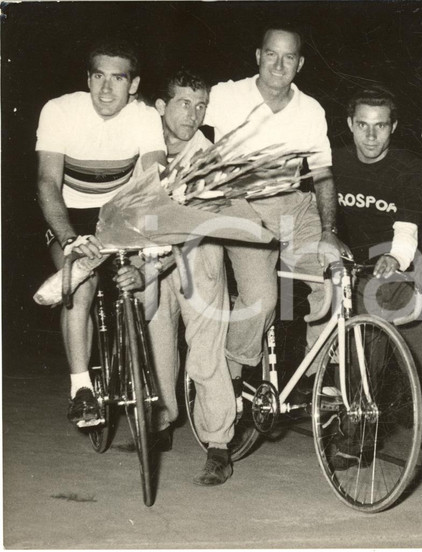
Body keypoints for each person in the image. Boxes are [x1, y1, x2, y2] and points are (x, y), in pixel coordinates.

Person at [202, 23, 350, 393]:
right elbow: (180, 123)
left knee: (333, 279)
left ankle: (315, 379)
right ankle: (231, 374)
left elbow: (322, 175)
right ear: (258, 56)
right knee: (263, 299)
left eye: (288, 57)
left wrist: (330, 232)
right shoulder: (225, 96)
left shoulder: (311, 110)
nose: (279, 65)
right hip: (238, 203)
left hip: (292, 205)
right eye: (271, 54)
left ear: (299, 64)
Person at [332, 86, 422, 487]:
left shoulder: (409, 168)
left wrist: (396, 258)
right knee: (362, 358)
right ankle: (356, 439)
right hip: (359, 268)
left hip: (409, 264)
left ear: (394, 128)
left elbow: (406, 228)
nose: (371, 136)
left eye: (381, 126)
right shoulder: (332, 163)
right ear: (351, 125)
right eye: (364, 126)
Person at [35, 40, 166, 427]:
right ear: (88, 79)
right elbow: (46, 183)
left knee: (141, 276)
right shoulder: (59, 111)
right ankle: (81, 390)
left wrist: (149, 248)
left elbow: (153, 185)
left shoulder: (144, 118)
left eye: (118, 79)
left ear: (134, 84)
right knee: (82, 282)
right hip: (70, 216)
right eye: (98, 77)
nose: (106, 89)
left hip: (119, 214)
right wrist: (69, 239)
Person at [147, 69, 236, 486]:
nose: (194, 113)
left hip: (195, 253)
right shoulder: (142, 142)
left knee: (205, 347)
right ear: (162, 106)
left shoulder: (208, 153)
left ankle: (218, 444)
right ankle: (164, 418)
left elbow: (202, 218)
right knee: (158, 337)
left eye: (201, 105)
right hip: (149, 252)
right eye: (185, 103)